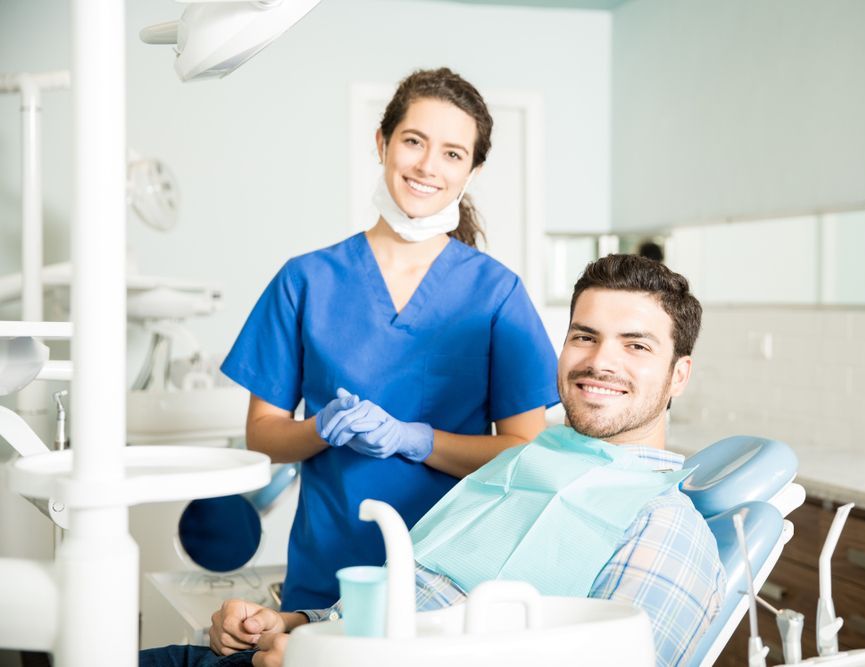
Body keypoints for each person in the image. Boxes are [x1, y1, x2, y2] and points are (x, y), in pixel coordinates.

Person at [142, 254, 726, 667]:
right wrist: (296, 627)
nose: (600, 361)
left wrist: (337, 662)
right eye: (584, 336)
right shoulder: (523, 463)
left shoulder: (665, 528)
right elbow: (415, 599)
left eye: (636, 345)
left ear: (680, 374)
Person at [218, 68, 559, 612]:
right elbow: (263, 435)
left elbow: (525, 453)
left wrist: (417, 439)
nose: (428, 166)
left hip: (451, 581)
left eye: (452, 153)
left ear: (471, 170)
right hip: (329, 571)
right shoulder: (306, 280)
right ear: (382, 143)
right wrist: (321, 428)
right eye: (414, 141)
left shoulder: (496, 293)